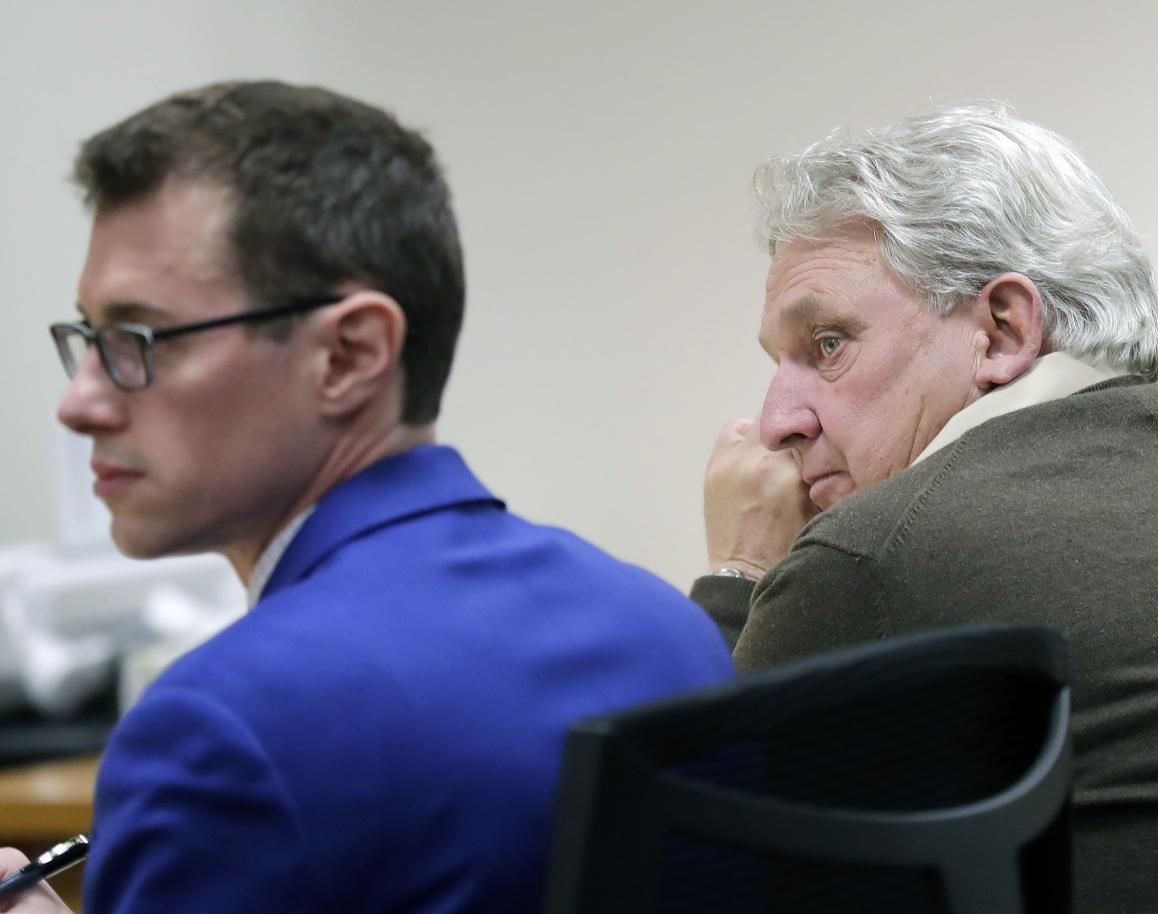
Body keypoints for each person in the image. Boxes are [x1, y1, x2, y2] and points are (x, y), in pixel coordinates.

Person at [0, 80, 734, 914]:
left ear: (350, 355)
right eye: (87, 340)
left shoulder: (220, 730)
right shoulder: (667, 631)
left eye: (136, 340)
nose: (80, 402)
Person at [691, 101, 1158, 911]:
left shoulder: (874, 555)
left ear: (1003, 329)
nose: (779, 421)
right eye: (780, 364)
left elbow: (676, 870)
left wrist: (739, 575)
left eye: (828, 345)